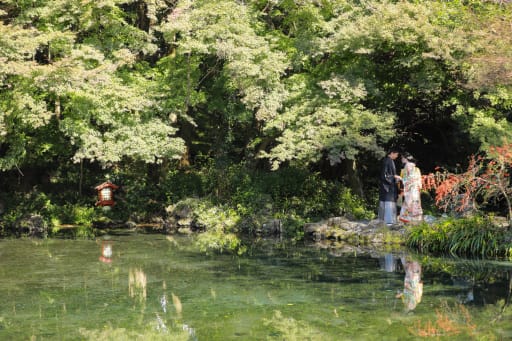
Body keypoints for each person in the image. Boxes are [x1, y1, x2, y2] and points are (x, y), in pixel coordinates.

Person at [397, 152, 423, 223]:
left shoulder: (407, 165)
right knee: (415, 202)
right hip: (416, 188)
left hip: (410, 188)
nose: (401, 159)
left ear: (406, 159)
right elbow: (418, 179)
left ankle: (407, 219)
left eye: (402, 158)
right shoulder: (415, 167)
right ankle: (417, 219)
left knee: (409, 202)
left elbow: (406, 179)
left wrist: (400, 178)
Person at [378, 149, 401, 225]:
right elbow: (384, 176)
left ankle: (383, 220)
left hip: (388, 186)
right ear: (392, 153)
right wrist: (394, 177)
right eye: (396, 154)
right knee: (388, 203)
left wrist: (395, 178)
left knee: (385, 203)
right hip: (387, 187)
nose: (397, 156)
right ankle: (388, 221)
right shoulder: (387, 161)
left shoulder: (388, 160)